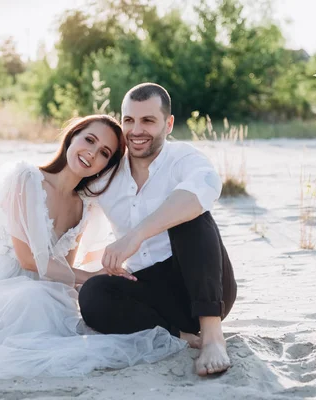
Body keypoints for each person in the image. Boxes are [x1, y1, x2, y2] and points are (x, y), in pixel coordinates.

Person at [0, 114, 186, 382]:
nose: (92, 154)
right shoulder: (27, 178)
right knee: (30, 299)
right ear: (72, 136)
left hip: (43, 288)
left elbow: (64, 268)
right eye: (89, 140)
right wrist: (91, 276)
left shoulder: (84, 207)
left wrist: (104, 281)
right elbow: (28, 260)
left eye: (104, 153)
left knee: (72, 308)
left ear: (107, 165)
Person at [78, 83, 237, 376]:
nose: (136, 131)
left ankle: (213, 336)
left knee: (190, 214)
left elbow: (206, 186)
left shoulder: (183, 158)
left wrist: (135, 235)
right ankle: (184, 338)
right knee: (92, 294)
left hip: (204, 283)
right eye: (129, 120)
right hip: (152, 294)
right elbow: (67, 196)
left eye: (148, 121)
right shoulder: (106, 175)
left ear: (169, 123)